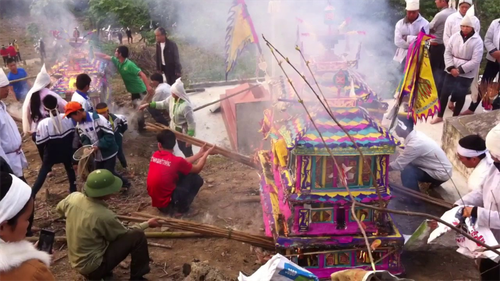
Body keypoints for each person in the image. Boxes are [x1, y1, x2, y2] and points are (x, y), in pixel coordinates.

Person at [56, 169, 160, 281]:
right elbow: (125, 234)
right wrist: (147, 224)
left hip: (76, 261)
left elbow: (59, 210)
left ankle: (104, 274)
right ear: (106, 192)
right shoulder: (104, 216)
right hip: (93, 268)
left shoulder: (73, 197)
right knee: (137, 235)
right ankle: (137, 278)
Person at [458, 123, 500, 280]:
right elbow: (483, 191)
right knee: (486, 270)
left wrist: (476, 212)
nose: (493, 159)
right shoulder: (494, 167)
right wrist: (461, 203)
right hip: (490, 236)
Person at [0, 172, 55, 281]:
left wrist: (27, 253)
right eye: (26, 219)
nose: (29, 224)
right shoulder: (34, 273)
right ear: (2, 227)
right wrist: (34, 263)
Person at [64, 101, 131, 190]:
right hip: (97, 154)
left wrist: (98, 146)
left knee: (109, 172)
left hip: (109, 152)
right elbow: (84, 138)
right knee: (97, 172)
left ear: (78, 113)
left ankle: (126, 184)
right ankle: (103, 189)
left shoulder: (98, 119)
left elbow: (109, 136)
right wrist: (87, 146)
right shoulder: (79, 125)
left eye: (73, 117)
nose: (73, 120)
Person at [431, 10, 483, 124]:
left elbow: (476, 60)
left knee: (460, 94)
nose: (464, 28)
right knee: (444, 93)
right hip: (451, 69)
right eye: (463, 26)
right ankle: (439, 116)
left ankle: (455, 118)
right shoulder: (454, 36)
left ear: (472, 27)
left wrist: (460, 70)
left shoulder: (478, 41)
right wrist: (451, 68)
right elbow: (447, 52)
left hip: (466, 73)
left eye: (467, 26)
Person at [147, 130, 215, 217]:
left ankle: (175, 203)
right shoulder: (176, 161)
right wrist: (206, 153)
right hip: (167, 206)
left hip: (157, 203)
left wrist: (199, 154)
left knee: (181, 173)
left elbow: (182, 162)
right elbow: (197, 168)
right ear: (174, 143)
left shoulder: (155, 155)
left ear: (159, 145)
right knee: (196, 179)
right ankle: (180, 210)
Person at [94, 46, 153, 131]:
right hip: (133, 90)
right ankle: (141, 126)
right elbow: (105, 56)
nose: (115, 52)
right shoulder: (117, 61)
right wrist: (94, 53)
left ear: (120, 54)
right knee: (137, 108)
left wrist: (148, 87)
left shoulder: (130, 64)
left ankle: (156, 122)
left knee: (145, 107)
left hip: (140, 90)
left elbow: (142, 74)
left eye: (116, 51)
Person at [389, 114, 452, 192]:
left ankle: (414, 199)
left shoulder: (414, 144)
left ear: (403, 128)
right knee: (407, 163)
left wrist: (380, 169)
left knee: (407, 170)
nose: (395, 130)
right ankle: (429, 184)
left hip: (441, 173)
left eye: (396, 127)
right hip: (441, 169)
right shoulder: (415, 135)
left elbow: (398, 165)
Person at [22, 65, 67, 166]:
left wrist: (29, 128)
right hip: (50, 126)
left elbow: (27, 113)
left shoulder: (31, 95)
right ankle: (64, 162)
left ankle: (48, 168)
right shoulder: (49, 93)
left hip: (36, 128)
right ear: (47, 83)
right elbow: (64, 105)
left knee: (42, 148)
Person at [139, 78, 195, 157]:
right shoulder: (171, 99)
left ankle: (191, 162)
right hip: (174, 128)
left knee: (186, 149)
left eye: (173, 92)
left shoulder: (186, 106)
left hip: (183, 132)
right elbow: (162, 104)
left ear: (178, 93)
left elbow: (191, 123)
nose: (171, 93)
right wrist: (148, 104)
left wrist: (189, 138)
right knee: (180, 146)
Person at [462, 18, 500, 115]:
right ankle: (472, 108)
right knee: (484, 84)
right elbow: (487, 40)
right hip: (493, 58)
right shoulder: (495, 23)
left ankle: (496, 111)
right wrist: (495, 53)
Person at [0, 68, 28, 181]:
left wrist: (22, 121)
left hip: (15, 156)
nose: (8, 89)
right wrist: (5, 168)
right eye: (4, 87)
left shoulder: (2, 105)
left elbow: (7, 116)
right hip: (8, 161)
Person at [428, 0, 455, 99]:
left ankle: (434, 97)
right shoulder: (455, 13)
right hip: (449, 47)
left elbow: (428, 28)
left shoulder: (441, 15)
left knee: (434, 73)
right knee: (444, 72)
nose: (435, 1)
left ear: (443, 1)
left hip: (437, 47)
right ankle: (441, 97)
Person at [393, 0, 429, 71]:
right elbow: (397, 41)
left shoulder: (425, 23)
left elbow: (423, 41)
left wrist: (406, 37)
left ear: (418, 11)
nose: (411, 14)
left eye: (414, 12)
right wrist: (415, 39)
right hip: (402, 56)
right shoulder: (400, 23)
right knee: (400, 77)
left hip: (417, 56)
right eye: (409, 12)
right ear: (406, 11)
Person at [95, 102, 129, 170]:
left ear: (108, 111)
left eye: (104, 113)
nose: (102, 115)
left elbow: (125, 124)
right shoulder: (96, 121)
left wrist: (120, 133)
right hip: (107, 138)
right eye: (100, 114)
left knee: (119, 152)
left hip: (116, 136)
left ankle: (125, 166)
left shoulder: (117, 118)